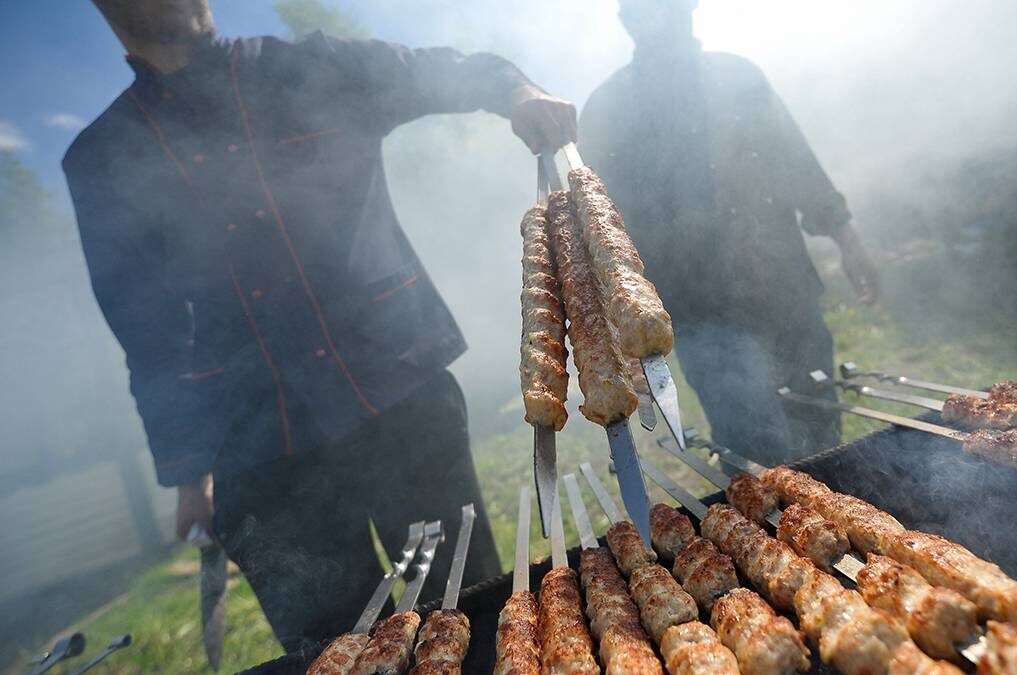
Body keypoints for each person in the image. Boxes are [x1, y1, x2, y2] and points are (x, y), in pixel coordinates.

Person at [65, 0, 577, 652]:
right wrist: (188, 475)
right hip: (259, 457)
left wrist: (519, 93)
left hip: (400, 404)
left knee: (464, 620)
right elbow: (147, 331)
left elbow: (450, 69)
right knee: (340, 652)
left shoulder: (309, 66)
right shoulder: (102, 158)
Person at [579, 0, 881, 465]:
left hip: (787, 293)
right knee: (759, 462)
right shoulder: (607, 108)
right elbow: (602, 233)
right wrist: (618, 337)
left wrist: (848, 239)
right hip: (703, 318)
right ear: (628, 19)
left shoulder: (738, 75)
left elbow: (796, 162)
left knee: (827, 444)